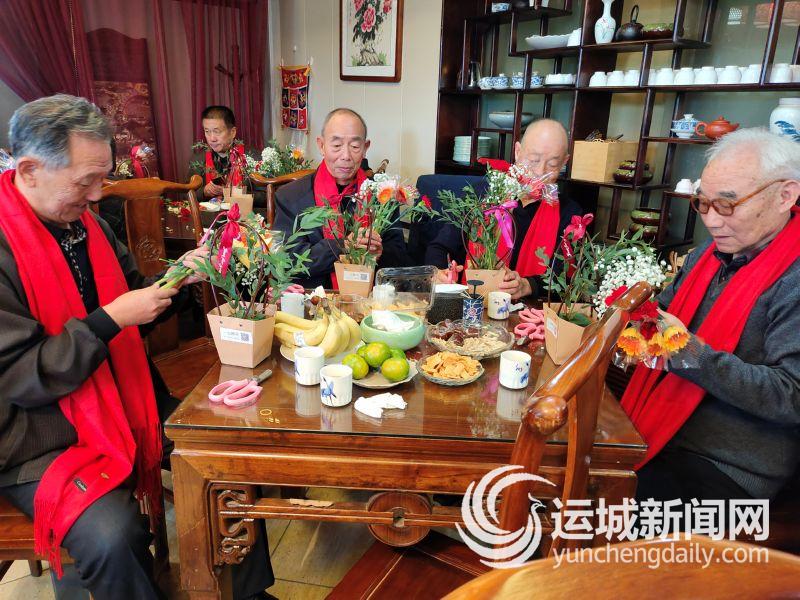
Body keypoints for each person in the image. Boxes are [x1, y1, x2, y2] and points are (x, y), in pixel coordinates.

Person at [0, 95, 273, 600]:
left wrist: (178, 281)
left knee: (225, 458)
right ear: (31, 170)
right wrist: (111, 319)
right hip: (38, 437)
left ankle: (247, 593)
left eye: (103, 178)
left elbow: (133, 300)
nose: (97, 195)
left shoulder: (89, 227)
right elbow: (20, 377)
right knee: (113, 534)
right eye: (86, 181)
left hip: (125, 399)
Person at [625, 128, 800, 504]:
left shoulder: (793, 277)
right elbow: (659, 316)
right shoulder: (710, 254)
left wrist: (690, 353)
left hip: (730, 464)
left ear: (785, 195)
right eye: (702, 203)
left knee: (608, 516)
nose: (712, 221)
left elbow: (791, 396)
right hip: (664, 427)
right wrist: (626, 330)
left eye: (727, 205)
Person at [425, 119, 582, 299]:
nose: (540, 171)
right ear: (517, 151)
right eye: (533, 160)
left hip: (527, 311)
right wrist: (440, 272)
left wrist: (528, 285)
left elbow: (567, 278)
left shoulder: (570, 214)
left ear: (564, 162)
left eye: (553, 165)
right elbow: (439, 247)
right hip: (471, 305)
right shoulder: (481, 195)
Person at [272, 107, 411, 289]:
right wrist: (343, 246)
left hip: (370, 300)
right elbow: (286, 262)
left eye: (355, 147)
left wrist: (379, 254)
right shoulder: (290, 196)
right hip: (312, 299)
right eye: (336, 146)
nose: (345, 156)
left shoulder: (382, 196)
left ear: (365, 148)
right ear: (321, 145)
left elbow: (400, 261)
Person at [194, 105, 247, 202]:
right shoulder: (198, 159)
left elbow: (267, 196)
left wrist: (233, 193)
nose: (212, 138)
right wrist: (204, 192)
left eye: (217, 132)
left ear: (233, 132)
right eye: (207, 131)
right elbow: (186, 194)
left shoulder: (252, 157)